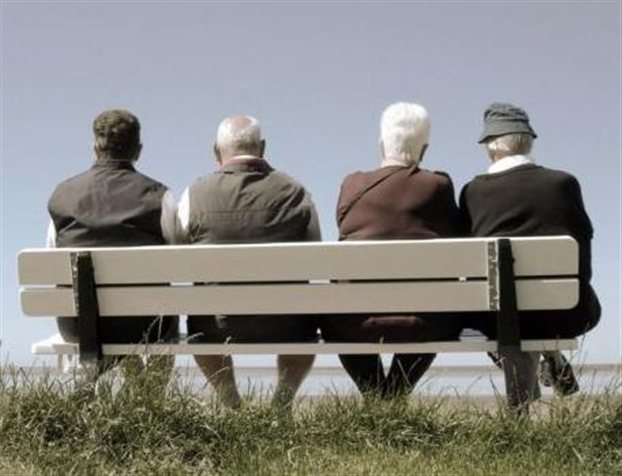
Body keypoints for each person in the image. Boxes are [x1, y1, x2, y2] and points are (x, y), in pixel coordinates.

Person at [320, 102, 463, 399]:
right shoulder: (438, 185)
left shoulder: (352, 184)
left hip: (355, 323)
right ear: (424, 150)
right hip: (424, 323)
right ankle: (395, 393)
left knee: (336, 315)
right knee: (438, 308)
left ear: (381, 143)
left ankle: (376, 396)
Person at [178, 115, 321, 408]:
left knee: (200, 322)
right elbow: (314, 255)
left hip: (216, 326)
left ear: (216, 150)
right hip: (288, 325)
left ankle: (231, 403)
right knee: (306, 318)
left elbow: (177, 254)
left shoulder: (194, 194)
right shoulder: (296, 192)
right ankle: (281, 404)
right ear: (262, 147)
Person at [459, 102, 601, 398]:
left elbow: (467, 268)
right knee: (530, 306)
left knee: (498, 308)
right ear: (528, 140)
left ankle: (528, 393)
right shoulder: (563, 183)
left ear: (490, 147)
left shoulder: (472, 191)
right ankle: (551, 356)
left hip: (494, 318)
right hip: (566, 312)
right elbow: (583, 255)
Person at [47, 109, 179, 379]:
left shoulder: (62, 196)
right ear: (138, 150)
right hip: (145, 324)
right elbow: (178, 255)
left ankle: (134, 386)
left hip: (79, 324)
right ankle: (152, 396)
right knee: (168, 312)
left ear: (95, 148)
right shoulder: (159, 197)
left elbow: (52, 259)